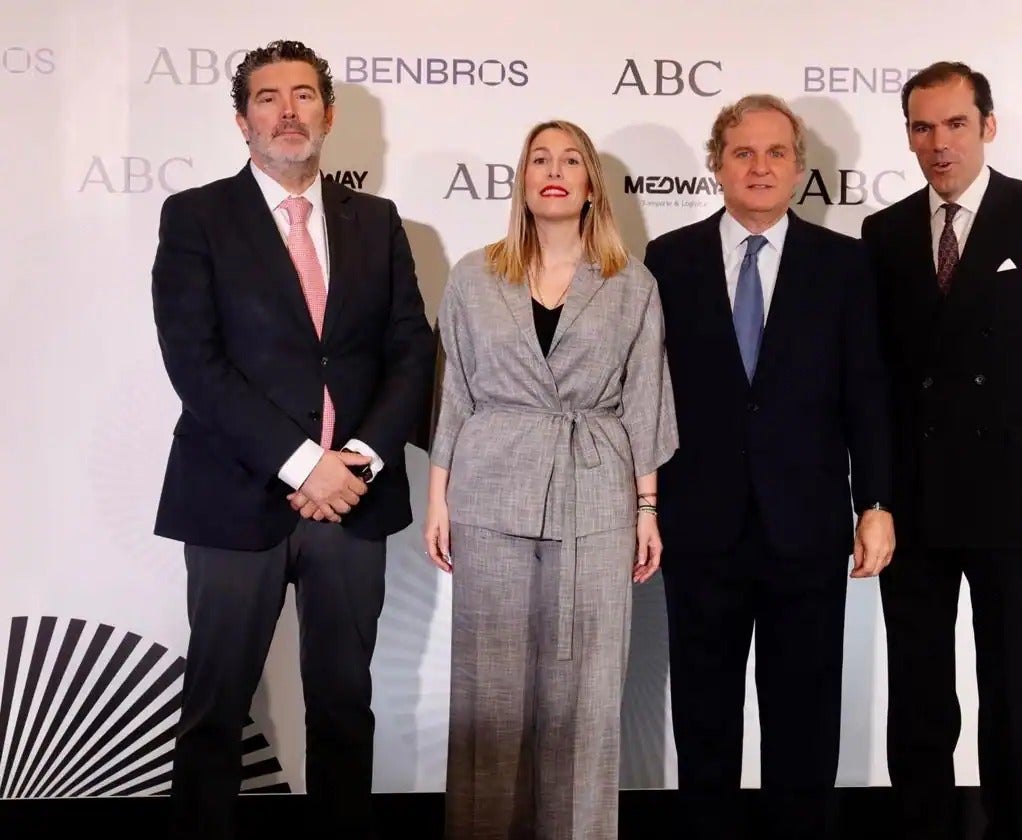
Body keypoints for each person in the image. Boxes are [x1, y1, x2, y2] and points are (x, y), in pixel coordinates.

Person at [151, 39, 434, 840]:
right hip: (233, 499)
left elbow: (410, 351)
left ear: (329, 115)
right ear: (242, 120)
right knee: (214, 708)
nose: (287, 111)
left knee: (345, 705)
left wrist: (359, 460)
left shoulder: (376, 223)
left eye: (304, 95)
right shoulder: (197, 215)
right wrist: (305, 462)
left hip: (355, 499)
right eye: (268, 98)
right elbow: (194, 363)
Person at [860, 61, 1022, 840]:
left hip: (1017, 500)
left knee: (1012, 695)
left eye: (955, 124)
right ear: (907, 134)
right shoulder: (884, 232)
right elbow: (872, 381)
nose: (939, 144)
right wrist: (873, 498)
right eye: (923, 127)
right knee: (919, 700)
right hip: (913, 502)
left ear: (988, 126)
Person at [645, 94, 894, 839]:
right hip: (698, 527)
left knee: (805, 721)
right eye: (742, 152)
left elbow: (867, 391)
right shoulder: (668, 260)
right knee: (704, 719)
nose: (759, 167)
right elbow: (645, 395)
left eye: (776, 152)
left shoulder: (845, 265)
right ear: (715, 164)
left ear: (799, 168)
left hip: (807, 527)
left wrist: (876, 501)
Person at [425, 119, 678, 840]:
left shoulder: (632, 283)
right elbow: (455, 395)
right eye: (540, 158)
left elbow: (644, 398)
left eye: (571, 159)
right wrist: (438, 499)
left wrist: (647, 507)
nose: (554, 170)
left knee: (588, 691)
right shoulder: (476, 274)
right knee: (489, 687)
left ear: (592, 182)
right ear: (523, 179)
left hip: (596, 491)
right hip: (488, 488)